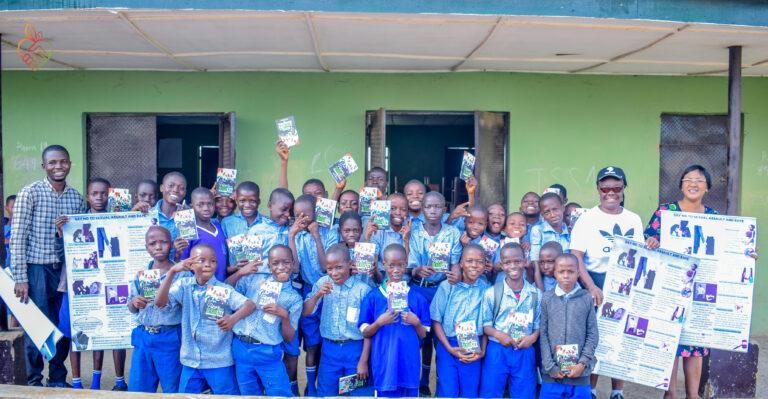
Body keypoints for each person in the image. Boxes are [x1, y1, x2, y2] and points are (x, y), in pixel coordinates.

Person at [11, 145, 86, 387]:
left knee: (62, 324)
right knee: (36, 324)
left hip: (64, 270)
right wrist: (20, 277)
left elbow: (79, 239)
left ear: (70, 164)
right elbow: (18, 237)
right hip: (36, 269)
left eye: (63, 161)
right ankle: (34, 379)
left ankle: (57, 377)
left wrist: (60, 234)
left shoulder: (76, 198)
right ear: (44, 166)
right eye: (52, 162)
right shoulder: (29, 193)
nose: (58, 166)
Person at [569, 166, 643, 399]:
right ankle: (591, 390)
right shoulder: (587, 219)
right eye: (605, 188)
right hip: (595, 282)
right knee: (594, 338)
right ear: (598, 190)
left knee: (620, 337)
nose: (610, 192)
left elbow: (640, 254)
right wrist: (591, 287)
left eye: (616, 187)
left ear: (624, 189)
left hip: (625, 283)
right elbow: (576, 257)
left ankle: (617, 392)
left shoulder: (634, 219)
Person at [642, 165, 714, 399]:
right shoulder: (666, 212)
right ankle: (670, 394)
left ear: (708, 187)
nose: (693, 184)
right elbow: (647, 239)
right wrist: (651, 241)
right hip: (669, 287)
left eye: (699, 180)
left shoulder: (714, 218)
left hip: (699, 290)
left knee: (695, 344)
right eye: (688, 179)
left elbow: (727, 251)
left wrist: (746, 256)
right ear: (681, 185)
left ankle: (693, 395)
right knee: (669, 341)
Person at [154, 243, 256, 394]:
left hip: (219, 361)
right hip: (191, 360)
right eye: (201, 260)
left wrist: (233, 318)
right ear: (191, 264)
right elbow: (160, 303)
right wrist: (172, 271)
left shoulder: (223, 290)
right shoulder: (184, 285)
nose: (208, 265)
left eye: (213, 261)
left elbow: (250, 305)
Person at [58, 178, 127, 390]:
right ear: (87, 197)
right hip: (78, 286)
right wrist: (63, 231)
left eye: (104, 193)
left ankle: (103, 382)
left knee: (112, 332)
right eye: (94, 194)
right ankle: (77, 383)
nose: (99, 198)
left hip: (112, 282)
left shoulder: (119, 220)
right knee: (77, 331)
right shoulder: (75, 222)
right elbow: (67, 248)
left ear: (110, 196)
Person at [226, 245, 301, 396]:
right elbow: (225, 290)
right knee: (249, 395)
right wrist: (240, 273)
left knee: (280, 394)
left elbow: (289, 337)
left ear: (293, 264)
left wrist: (284, 315)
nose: (281, 267)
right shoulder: (253, 281)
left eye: (286, 262)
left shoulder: (294, 299)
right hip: (242, 349)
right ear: (269, 266)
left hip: (267, 352)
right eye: (275, 263)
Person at [408, 191, 462, 396]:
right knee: (419, 336)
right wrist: (417, 270)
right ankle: (420, 382)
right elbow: (410, 266)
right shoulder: (414, 231)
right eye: (428, 207)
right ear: (422, 210)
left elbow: (456, 264)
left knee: (440, 337)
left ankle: (441, 384)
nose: (433, 210)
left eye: (437, 206)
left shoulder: (452, 233)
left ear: (444, 209)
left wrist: (455, 276)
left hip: (442, 289)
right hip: (418, 288)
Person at [359, 243, 430, 397]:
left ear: (406, 265)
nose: (396, 270)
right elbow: (365, 332)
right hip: (384, 367)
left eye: (400, 265)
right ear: (384, 265)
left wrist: (416, 322)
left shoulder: (418, 298)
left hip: (409, 367)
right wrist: (379, 323)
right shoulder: (373, 297)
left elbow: (423, 334)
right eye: (391, 265)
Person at [304, 243, 374, 397]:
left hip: (355, 351)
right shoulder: (322, 283)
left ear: (350, 265)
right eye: (330, 269)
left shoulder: (362, 290)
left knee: (358, 393)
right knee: (329, 393)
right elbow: (306, 312)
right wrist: (317, 296)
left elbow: (369, 329)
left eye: (339, 267)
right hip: (330, 351)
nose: (334, 273)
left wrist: (363, 361)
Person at [127, 226, 192, 393]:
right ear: (146, 248)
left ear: (171, 245)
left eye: (163, 242)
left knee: (173, 388)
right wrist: (134, 302)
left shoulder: (182, 274)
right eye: (152, 243)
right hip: (143, 337)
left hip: (169, 337)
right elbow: (131, 308)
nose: (158, 247)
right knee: (138, 390)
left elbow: (186, 307)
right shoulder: (141, 274)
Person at [289, 194, 340, 396]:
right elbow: (294, 268)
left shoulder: (329, 233)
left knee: (325, 340)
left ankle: (321, 385)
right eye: (297, 215)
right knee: (311, 345)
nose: (302, 218)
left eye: (306, 214)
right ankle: (310, 387)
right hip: (309, 290)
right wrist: (291, 236)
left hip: (330, 289)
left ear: (316, 214)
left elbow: (324, 266)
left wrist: (317, 236)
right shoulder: (296, 236)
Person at [479, 242, 542, 399]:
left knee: (525, 393)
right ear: (501, 264)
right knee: (490, 392)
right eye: (507, 263)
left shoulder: (536, 294)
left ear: (525, 261)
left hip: (525, 351)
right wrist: (500, 335)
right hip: (497, 349)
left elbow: (538, 325)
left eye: (517, 261)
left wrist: (532, 337)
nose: (513, 266)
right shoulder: (491, 293)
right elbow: (485, 324)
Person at [430, 244, 489, 398]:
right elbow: (436, 320)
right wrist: (449, 347)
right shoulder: (447, 287)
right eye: (469, 261)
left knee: (469, 392)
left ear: (485, 264)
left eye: (479, 261)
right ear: (461, 263)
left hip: (473, 348)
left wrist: (482, 351)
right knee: (448, 391)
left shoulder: (486, 290)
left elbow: (487, 325)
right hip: (448, 345)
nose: (474, 265)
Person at [539, 253, 598, 399]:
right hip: (552, 374)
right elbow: (543, 334)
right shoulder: (547, 298)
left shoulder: (586, 298)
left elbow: (592, 334)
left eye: (571, 271)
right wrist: (550, 366)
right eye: (561, 272)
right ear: (555, 274)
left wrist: (582, 364)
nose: (566, 276)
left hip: (579, 375)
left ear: (578, 274)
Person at [133, 172, 188, 261]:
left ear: (185, 192)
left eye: (181, 188)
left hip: (179, 270)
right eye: (170, 185)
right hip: (151, 270)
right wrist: (132, 215)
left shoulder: (189, 216)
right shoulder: (147, 214)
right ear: (162, 188)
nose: (175, 190)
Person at [179, 188, 229, 280]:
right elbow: (183, 263)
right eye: (200, 205)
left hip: (221, 285)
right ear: (192, 207)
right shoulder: (188, 231)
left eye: (210, 204)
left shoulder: (219, 227)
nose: (206, 208)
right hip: (201, 287)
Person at [364, 193, 412, 281]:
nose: (398, 213)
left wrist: (406, 240)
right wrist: (367, 239)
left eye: (403, 209)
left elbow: (407, 268)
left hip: (406, 283)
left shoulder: (411, 230)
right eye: (392, 209)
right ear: (385, 210)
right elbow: (374, 268)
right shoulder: (378, 231)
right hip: (383, 282)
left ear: (408, 212)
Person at [248, 188, 294, 273]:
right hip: (262, 281)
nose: (288, 214)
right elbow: (251, 264)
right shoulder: (256, 231)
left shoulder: (291, 228)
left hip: (288, 281)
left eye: (290, 211)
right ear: (270, 206)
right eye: (283, 209)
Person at [339, 211, 380, 286]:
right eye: (347, 231)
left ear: (361, 230)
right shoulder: (338, 252)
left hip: (368, 291)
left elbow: (379, 279)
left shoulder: (369, 248)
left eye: (356, 230)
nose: (351, 234)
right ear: (340, 231)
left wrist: (374, 271)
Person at [530, 192, 570, 262]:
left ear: (563, 208)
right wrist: (537, 273)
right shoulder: (538, 230)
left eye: (555, 209)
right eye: (547, 212)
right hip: (545, 271)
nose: (552, 215)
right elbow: (535, 258)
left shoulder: (569, 231)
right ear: (542, 215)